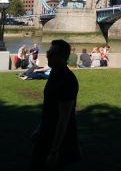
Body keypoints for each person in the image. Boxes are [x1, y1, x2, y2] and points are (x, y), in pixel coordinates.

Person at [31, 39, 80, 170]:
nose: (47, 54)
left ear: (62, 57)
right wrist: (40, 128)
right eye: (48, 52)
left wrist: (54, 151)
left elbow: (64, 119)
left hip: (58, 138)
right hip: (46, 130)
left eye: (52, 53)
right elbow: (49, 107)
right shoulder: (54, 73)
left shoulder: (68, 80)